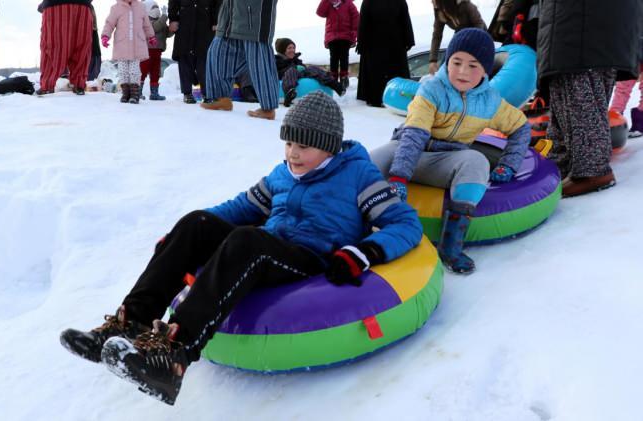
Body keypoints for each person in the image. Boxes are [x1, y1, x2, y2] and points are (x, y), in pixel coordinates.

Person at [60, 92, 423, 405]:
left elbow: (405, 223)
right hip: (269, 245)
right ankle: (129, 325)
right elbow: (239, 208)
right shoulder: (283, 173)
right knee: (196, 223)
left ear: (328, 145)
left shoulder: (358, 176)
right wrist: (181, 235)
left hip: (310, 258)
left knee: (248, 240)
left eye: (303, 146)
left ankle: (173, 357)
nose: (292, 154)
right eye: (288, 143)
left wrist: (362, 254)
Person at [370, 28, 530, 274]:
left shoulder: (490, 102)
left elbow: (520, 128)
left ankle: (451, 245)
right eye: (457, 62)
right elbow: (414, 134)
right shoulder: (431, 90)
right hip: (411, 148)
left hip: (446, 160)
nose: (463, 71)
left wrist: (509, 163)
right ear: (448, 61)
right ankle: (356, 224)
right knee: (371, 161)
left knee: (476, 161)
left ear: (486, 70)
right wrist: (399, 176)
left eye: (473, 65)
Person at [537, 0, 641, 197]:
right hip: (601, 22)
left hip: (578, 20)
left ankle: (590, 171)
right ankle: (563, 163)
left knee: (576, 80)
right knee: (572, 86)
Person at [201, 0, 280, 120]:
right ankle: (221, 99)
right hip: (228, 19)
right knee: (217, 53)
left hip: (254, 19)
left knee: (259, 62)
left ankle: (268, 108)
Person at [356, 0, 414, 107]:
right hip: (393, 44)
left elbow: (363, 24)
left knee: (377, 73)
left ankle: (376, 99)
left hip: (376, 45)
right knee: (393, 72)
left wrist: (361, 43)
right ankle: (396, 99)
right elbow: (405, 21)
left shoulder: (369, 2)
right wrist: (409, 40)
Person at [101, 0, 157, 104]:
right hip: (122, 45)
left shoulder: (141, 7)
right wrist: (105, 36)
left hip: (137, 46)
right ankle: (125, 93)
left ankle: (135, 94)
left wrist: (151, 36)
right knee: (123, 71)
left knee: (134, 70)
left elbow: (147, 25)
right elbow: (109, 23)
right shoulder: (116, 8)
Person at [168, 0, 220, 104]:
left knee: (204, 61)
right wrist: (173, 19)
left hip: (205, 23)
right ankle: (187, 93)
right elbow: (173, 2)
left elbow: (218, 3)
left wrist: (216, 20)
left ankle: (207, 93)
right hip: (184, 22)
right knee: (185, 59)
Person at [37, 0, 93, 96]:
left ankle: (47, 86)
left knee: (53, 47)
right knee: (81, 45)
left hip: (55, 6)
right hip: (82, 6)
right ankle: (78, 84)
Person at [273, 37, 345, 107]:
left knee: (312, 68)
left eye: (293, 48)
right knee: (292, 70)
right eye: (289, 48)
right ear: (282, 50)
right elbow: (276, 74)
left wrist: (303, 68)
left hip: (298, 75)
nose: (292, 50)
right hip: (287, 77)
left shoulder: (296, 60)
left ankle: (335, 85)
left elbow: (305, 70)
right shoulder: (277, 61)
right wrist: (294, 68)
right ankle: (290, 93)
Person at [428, 0, 486, 76]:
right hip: (460, 35)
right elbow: (437, 35)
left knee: (471, 62)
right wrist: (433, 60)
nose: (432, 2)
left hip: (479, 35)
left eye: (434, 1)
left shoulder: (466, 5)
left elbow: (479, 24)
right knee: (446, 62)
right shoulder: (439, 12)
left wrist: (472, 44)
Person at [316, 0, 359, 90]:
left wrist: (354, 32)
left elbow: (356, 18)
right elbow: (320, 12)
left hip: (345, 36)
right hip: (332, 36)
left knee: (344, 56)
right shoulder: (328, 4)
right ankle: (333, 78)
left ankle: (344, 77)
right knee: (333, 57)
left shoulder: (348, 4)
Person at [609, 35, 643, 138]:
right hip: (629, 49)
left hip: (630, 47)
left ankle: (639, 122)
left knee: (623, 89)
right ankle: (613, 120)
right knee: (623, 87)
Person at [140, 0, 171, 101]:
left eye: (157, 7)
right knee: (142, 71)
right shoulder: (146, 21)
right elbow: (154, 28)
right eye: (153, 8)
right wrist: (164, 17)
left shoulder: (160, 21)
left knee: (155, 72)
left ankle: (154, 93)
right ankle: (138, 91)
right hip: (147, 51)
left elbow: (167, 33)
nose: (157, 10)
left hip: (157, 51)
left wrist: (172, 29)